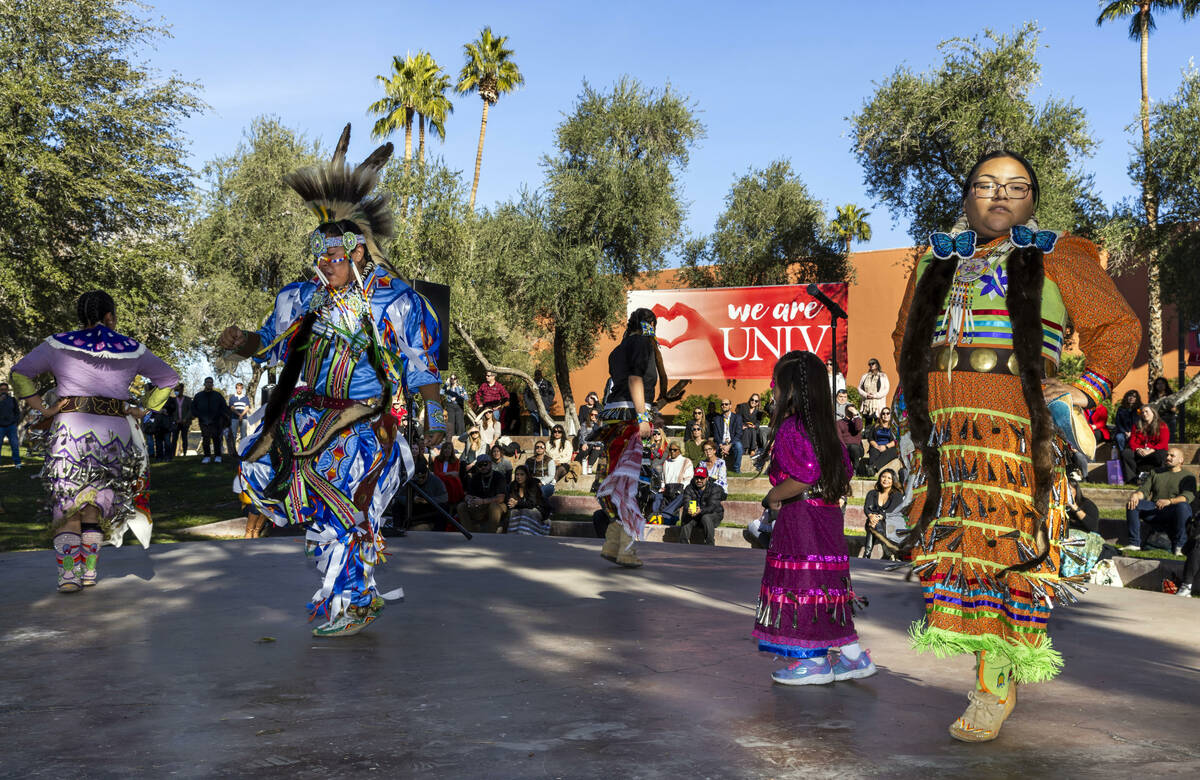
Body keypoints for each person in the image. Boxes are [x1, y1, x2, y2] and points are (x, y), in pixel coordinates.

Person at [892, 149, 1139, 741]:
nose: (999, 195)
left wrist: (1086, 387)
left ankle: (992, 686)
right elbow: (905, 334)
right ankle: (992, 673)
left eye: (1015, 185)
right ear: (965, 195)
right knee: (959, 557)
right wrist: (911, 412)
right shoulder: (936, 258)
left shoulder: (1058, 256)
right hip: (946, 441)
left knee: (1010, 556)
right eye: (985, 184)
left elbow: (1119, 326)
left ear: (1033, 198)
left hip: (1016, 439)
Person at [219, 127, 445, 637]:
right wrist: (243, 341)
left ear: (360, 252)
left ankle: (356, 600)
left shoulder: (393, 300)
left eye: (336, 254)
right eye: (320, 253)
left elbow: (419, 366)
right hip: (310, 413)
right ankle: (350, 594)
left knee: (348, 501)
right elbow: (269, 342)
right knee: (263, 476)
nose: (326, 262)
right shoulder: (301, 297)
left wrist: (432, 414)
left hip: (365, 420)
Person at [9, 290, 179, 591]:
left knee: (68, 504)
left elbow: (20, 374)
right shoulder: (132, 348)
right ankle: (89, 573)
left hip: (70, 431)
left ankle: (68, 577)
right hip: (115, 435)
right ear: (110, 316)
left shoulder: (56, 344)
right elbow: (168, 379)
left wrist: (44, 408)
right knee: (96, 506)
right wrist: (142, 410)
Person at [752, 350, 874, 686]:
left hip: (801, 517)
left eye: (776, 385)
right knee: (827, 583)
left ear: (791, 390)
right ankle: (852, 656)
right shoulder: (828, 429)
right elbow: (844, 470)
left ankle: (814, 661)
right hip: (828, 515)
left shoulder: (792, 428)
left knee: (802, 583)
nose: (772, 392)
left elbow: (805, 474)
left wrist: (773, 495)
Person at [593, 308, 667, 569]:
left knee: (620, 479)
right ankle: (623, 548)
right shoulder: (641, 344)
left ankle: (614, 542)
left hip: (615, 417)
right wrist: (642, 416)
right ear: (649, 325)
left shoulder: (617, 350)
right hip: (629, 418)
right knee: (635, 482)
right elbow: (635, 378)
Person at [1124, 448, 1195, 555]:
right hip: (1155, 508)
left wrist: (1169, 501)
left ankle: (1180, 546)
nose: (1168, 458)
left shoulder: (1188, 477)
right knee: (1133, 503)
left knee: (1183, 506)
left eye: (1172, 456)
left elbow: (1187, 497)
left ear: (1181, 460)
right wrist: (1135, 495)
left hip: (1174, 510)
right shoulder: (1156, 472)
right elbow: (1144, 491)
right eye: (1167, 455)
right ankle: (1134, 543)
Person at [456, 454, 509, 533]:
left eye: (485, 464)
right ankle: (470, 532)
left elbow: (501, 498)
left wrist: (483, 501)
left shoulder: (499, 476)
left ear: (490, 464)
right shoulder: (475, 477)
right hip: (479, 505)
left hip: (497, 505)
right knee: (461, 506)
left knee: (494, 507)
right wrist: (469, 499)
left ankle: (490, 534)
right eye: (480, 465)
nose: (483, 467)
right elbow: (468, 494)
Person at [393, 461, 450, 532]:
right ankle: (397, 528)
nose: (420, 480)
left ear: (427, 473)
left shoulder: (436, 481)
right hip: (413, 506)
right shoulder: (408, 479)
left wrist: (428, 500)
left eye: (423, 477)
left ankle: (438, 531)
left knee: (444, 508)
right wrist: (411, 500)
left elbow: (444, 497)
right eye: (418, 477)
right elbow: (399, 496)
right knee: (397, 505)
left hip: (429, 508)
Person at [676, 465, 726, 545]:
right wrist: (688, 508)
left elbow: (712, 506)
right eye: (697, 478)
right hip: (695, 514)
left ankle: (710, 544)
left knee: (705, 517)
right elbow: (686, 501)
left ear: (707, 478)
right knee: (687, 515)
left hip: (713, 514)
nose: (699, 480)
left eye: (702, 478)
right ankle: (683, 544)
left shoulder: (715, 488)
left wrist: (701, 510)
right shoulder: (689, 488)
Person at [1120, 404, 1170, 484]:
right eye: (1142, 412)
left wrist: (1151, 450)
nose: (1144, 414)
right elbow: (1132, 441)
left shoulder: (1162, 425)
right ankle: (1132, 480)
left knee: (1162, 454)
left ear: (1153, 412)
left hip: (1154, 451)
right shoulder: (1136, 426)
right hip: (1140, 451)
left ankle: (1159, 479)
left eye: (1147, 411)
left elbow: (1163, 443)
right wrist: (1137, 449)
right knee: (1126, 453)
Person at [862, 468, 905, 559]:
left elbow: (893, 511)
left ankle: (867, 554)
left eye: (889, 478)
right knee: (873, 523)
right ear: (879, 478)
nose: (885, 480)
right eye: (883, 477)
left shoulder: (897, 495)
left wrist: (880, 517)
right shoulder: (872, 493)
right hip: (873, 522)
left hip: (890, 525)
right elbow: (867, 508)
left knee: (874, 524)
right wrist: (870, 516)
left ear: (893, 480)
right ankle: (889, 553)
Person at [506, 465, 553, 535]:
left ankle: (526, 533)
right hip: (521, 508)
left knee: (526, 512)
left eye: (522, 474)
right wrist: (511, 502)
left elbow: (532, 503)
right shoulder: (513, 485)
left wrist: (517, 503)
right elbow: (511, 499)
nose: (519, 477)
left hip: (537, 508)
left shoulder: (532, 485)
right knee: (513, 512)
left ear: (527, 475)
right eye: (517, 474)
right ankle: (514, 534)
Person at [191, 377, 228, 464]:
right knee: (206, 439)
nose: (209, 384)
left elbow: (224, 407)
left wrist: (221, 417)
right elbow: (193, 408)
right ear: (204, 384)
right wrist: (198, 415)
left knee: (216, 439)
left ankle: (218, 456)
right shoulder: (198, 396)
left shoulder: (218, 395)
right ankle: (206, 456)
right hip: (203, 421)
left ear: (213, 384)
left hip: (216, 421)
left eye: (211, 382)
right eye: (207, 382)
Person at [657, 441, 694, 521]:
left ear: (680, 450)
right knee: (658, 496)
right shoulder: (666, 462)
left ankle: (665, 514)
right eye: (670, 450)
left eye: (675, 450)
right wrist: (663, 487)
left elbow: (688, 479)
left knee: (681, 497)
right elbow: (663, 479)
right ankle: (656, 516)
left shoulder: (686, 461)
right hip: (668, 489)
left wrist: (679, 490)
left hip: (680, 489)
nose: (672, 452)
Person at [710, 398, 745, 474]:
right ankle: (715, 469)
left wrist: (729, 445)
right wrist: (721, 445)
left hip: (732, 442)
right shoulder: (717, 419)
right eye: (722, 404)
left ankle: (736, 469)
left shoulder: (737, 418)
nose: (724, 406)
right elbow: (716, 435)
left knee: (739, 446)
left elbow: (739, 433)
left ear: (730, 406)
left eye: (726, 404)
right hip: (721, 442)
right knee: (713, 447)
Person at [864, 407, 901, 476]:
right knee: (874, 451)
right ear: (881, 415)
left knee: (895, 451)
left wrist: (886, 447)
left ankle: (872, 468)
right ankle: (871, 471)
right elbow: (870, 438)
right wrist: (876, 446)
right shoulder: (875, 425)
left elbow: (897, 440)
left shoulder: (895, 427)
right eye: (883, 413)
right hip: (876, 446)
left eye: (888, 413)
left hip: (889, 447)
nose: (885, 415)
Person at [857, 358, 890, 425]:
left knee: (878, 423)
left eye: (873, 363)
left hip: (877, 404)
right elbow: (859, 388)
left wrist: (875, 395)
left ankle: (877, 435)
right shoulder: (865, 376)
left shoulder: (883, 376)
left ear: (877, 365)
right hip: (867, 405)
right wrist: (866, 395)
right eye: (870, 364)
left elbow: (886, 389)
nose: (871, 365)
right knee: (867, 423)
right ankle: (867, 435)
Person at [524, 368, 555, 436]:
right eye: (536, 375)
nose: (537, 376)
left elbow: (552, 393)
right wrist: (529, 405)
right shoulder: (530, 384)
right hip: (533, 409)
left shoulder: (547, 383)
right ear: (534, 376)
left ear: (541, 375)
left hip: (544, 409)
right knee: (535, 427)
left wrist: (548, 403)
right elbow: (526, 394)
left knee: (545, 426)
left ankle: (545, 443)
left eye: (539, 375)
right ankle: (537, 443)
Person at [837, 404, 865, 475]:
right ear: (846, 411)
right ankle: (845, 469)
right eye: (849, 410)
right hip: (844, 445)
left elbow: (858, 428)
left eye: (852, 410)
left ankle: (855, 469)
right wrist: (844, 446)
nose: (851, 412)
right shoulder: (839, 422)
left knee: (853, 447)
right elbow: (839, 436)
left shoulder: (858, 421)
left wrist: (856, 416)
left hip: (857, 447)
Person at [1112, 389, 1142, 457]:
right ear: (1126, 397)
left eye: (1134, 397)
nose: (1131, 398)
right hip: (1123, 431)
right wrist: (1125, 432)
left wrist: (1133, 432)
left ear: (1137, 399)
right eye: (1130, 396)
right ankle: (1123, 455)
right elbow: (1118, 422)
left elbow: (1140, 421)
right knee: (1119, 437)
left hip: (1136, 431)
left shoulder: (1139, 409)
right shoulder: (1121, 408)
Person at [736, 393, 766, 458]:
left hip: (752, 428)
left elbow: (758, 422)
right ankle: (745, 449)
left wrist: (755, 426)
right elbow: (738, 418)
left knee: (752, 430)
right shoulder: (743, 407)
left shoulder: (758, 412)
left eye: (756, 401)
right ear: (750, 400)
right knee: (746, 430)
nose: (753, 402)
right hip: (744, 426)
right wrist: (741, 425)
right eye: (752, 399)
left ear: (758, 403)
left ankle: (752, 449)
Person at [0, 381, 22, 467]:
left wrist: (15, 422)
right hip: (0, 427)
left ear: (8, 390)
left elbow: (17, 412)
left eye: (5, 389)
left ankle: (17, 463)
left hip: (11, 426)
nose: (4, 391)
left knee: (15, 445)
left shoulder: (13, 399)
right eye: (1, 390)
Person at [226, 382, 251, 455]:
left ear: (242, 389)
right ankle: (233, 451)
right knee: (233, 434)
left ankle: (243, 451)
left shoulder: (245, 397)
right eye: (237, 388)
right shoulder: (232, 397)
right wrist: (238, 414)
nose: (239, 389)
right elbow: (232, 407)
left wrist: (242, 415)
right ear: (236, 388)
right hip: (234, 418)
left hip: (244, 418)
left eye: (240, 388)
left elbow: (247, 407)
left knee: (244, 435)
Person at [577, 409, 603, 475]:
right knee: (585, 450)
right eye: (592, 414)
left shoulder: (601, 424)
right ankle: (577, 465)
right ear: (589, 415)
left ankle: (589, 467)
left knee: (597, 448)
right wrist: (584, 443)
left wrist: (599, 444)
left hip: (597, 444)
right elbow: (582, 435)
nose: (593, 416)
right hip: (587, 444)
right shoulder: (585, 424)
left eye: (595, 415)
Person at [442, 374, 467, 438]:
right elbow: (441, 392)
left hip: (458, 406)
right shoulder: (447, 387)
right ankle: (451, 439)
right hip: (450, 406)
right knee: (451, 423)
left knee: (459, 423)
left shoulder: (460, 387)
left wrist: (456, 398)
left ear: (457, 379)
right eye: (451, 378)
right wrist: (446, 383)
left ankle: (460, 438)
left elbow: (466, 397)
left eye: (454, 378)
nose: (453, 380)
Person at [171, 384, 192, 456]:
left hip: (185, 423)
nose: (176, 392)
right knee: (174, 439)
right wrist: (175, 420)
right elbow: (171, 412)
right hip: (175, 423)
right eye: (175, 390)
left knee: (184, 438)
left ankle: (185, 453)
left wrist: (186, 419)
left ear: (182, 390)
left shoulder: (188, 400)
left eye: (177, 390)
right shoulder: (172, 400)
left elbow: (190, 410)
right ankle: (173, 454)